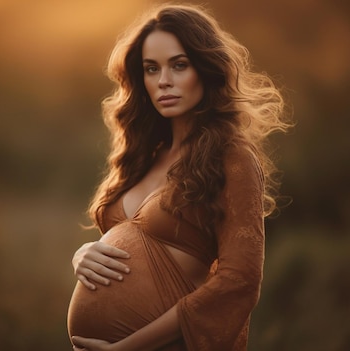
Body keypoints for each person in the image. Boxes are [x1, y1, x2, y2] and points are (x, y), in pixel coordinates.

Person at [67, 4, 291, 351]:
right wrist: (82, 254)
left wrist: (125, 348)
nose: (164, 81)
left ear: (206, 68)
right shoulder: (142, 156)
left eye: (179, 65)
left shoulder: (231, 158)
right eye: (151, 69)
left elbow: (240, 280)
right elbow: (124, 247)